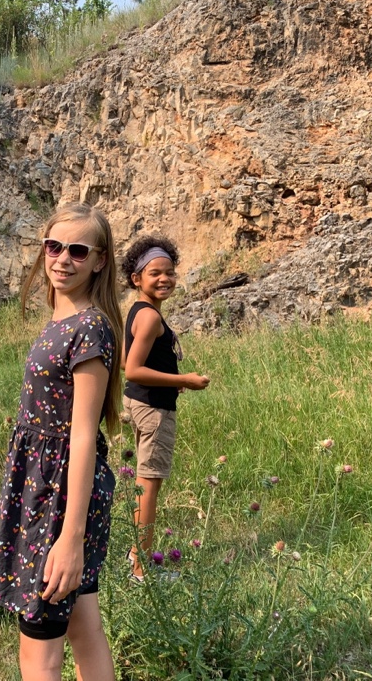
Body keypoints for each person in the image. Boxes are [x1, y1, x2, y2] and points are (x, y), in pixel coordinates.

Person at [0, 203, 123, 681]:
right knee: (84, 627)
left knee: (38, 653)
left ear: (100, 260)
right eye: (54, 246)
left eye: (78, 251)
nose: (63, 259)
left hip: (58, 497)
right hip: (42, 486)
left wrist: (70, 538)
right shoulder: (62, 319)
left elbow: (82, 436)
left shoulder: (89, 327)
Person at [121, 236, 210, 582]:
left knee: (143, 484)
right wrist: (183, 379)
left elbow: (129, 365)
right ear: (136, 278)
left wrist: (171, 381)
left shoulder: (139, 311)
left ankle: (134, 555)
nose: (164, 279)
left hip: (141, 402)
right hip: (153, 409)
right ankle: (141, 571)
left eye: (169, 272)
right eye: (155, 273)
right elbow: (133, 369)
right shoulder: (149, 318)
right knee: (148, 487)